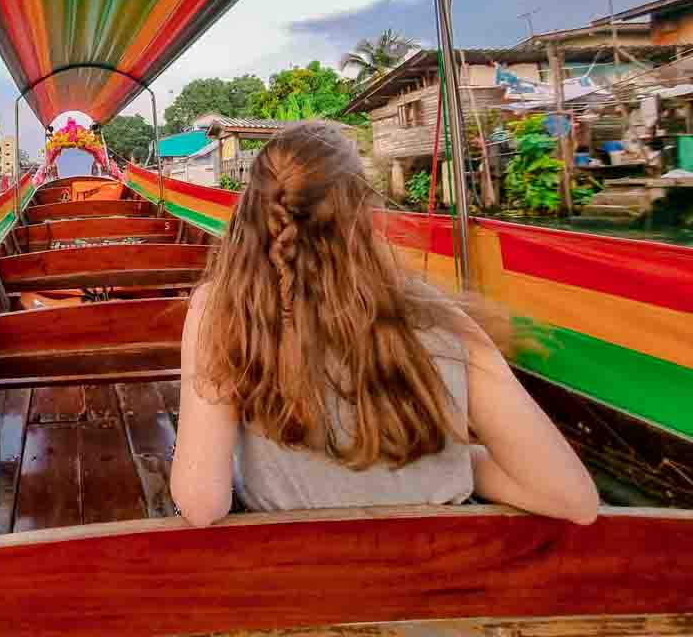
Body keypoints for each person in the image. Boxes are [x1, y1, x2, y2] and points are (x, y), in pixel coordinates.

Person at [170, 121, 597, 527]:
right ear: (364, 214)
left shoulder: (220, 308)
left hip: (300, 587)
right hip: (446, 586)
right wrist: (459, 464)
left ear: (252, 208)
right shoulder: (438, 315)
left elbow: (202, 503)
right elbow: (570, 497)